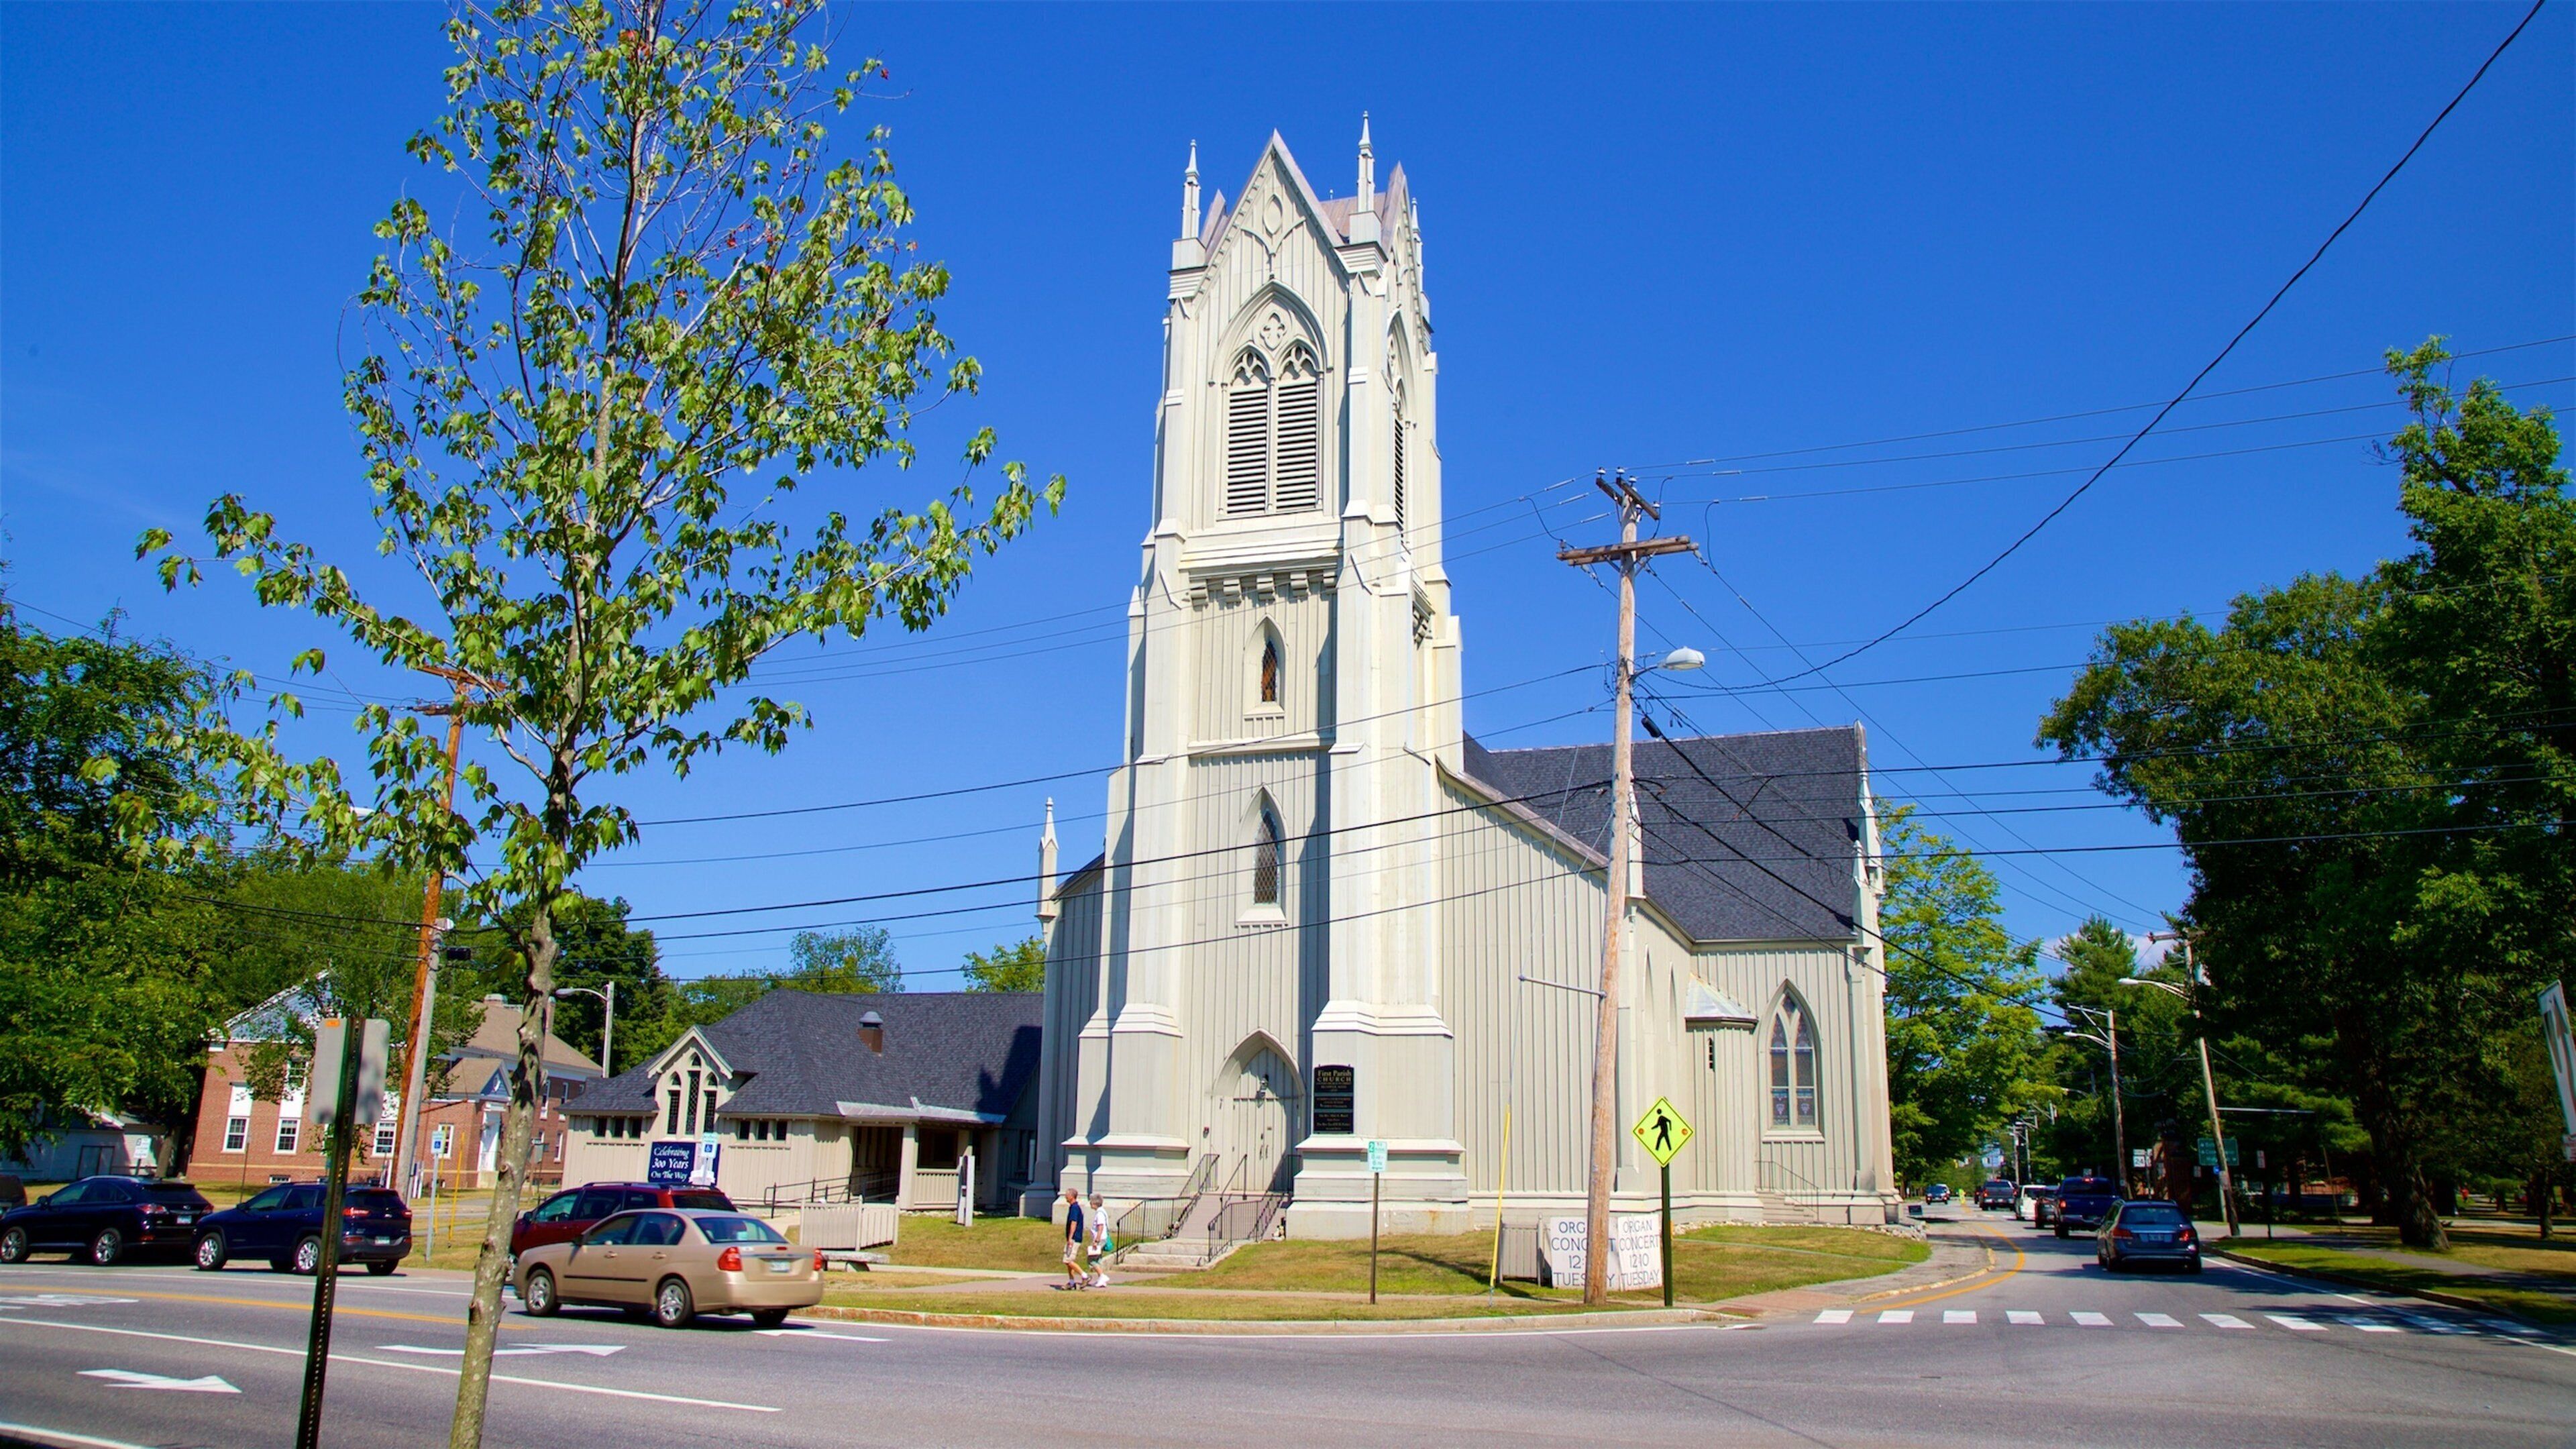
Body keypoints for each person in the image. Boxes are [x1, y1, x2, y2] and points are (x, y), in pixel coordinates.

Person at [1060, 1187, 1089, 1290]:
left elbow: (1074, 1223)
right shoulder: (1073, 1207)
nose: (1065, 1197)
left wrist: (1070, 1238)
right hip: (1073, 1238)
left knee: (1068, 1260)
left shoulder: (1075, 1208)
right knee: (1068, 1261)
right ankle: (1071, 1282)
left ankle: (1085, 1276)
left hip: (1074, 1238)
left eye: (1067, 1195)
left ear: (1072, 1196)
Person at [1087, 1192, 1112, 1287]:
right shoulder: (1102, 1211)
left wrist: (1097, 1240)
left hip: (1100, 1239)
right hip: (1102, 1238)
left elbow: (1100, 1227)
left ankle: (1102, 1276)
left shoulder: (1100, 1213)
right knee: (1098, 1259)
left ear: (1094, 1203)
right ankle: (1101, 1279)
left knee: (1091, 1260)